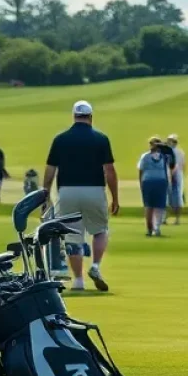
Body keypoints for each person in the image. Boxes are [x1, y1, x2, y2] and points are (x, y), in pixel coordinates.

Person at [43, 100, 119, 293]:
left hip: (67, 191)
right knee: (100, 230)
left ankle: (78, 280)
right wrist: (115, 197)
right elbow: (109, 170)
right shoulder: (101, 139)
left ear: (74, 116)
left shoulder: (60, 139)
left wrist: (45, 194)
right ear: (91, 117)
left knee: (72, 235)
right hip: (94, 190)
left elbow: (50, 169)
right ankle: (95, 266)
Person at [137, 137, 174, 237]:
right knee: (159, 206)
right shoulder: (164, 157)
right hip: (161, 181)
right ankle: (156, 228)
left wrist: (141, 183)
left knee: (149, 206)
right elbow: (170, 167)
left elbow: (140, 171)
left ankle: (149, 229)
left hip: (147, 181)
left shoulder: (144, 156)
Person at [165, 135, 186, 225]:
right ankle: (164, 218)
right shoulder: (165, 151)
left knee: (177, 197)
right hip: (167, 174)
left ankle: (177, 219)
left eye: (171, 141)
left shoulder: (180, 152)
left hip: (177, 175)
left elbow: (181, 165)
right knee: (165, 197)